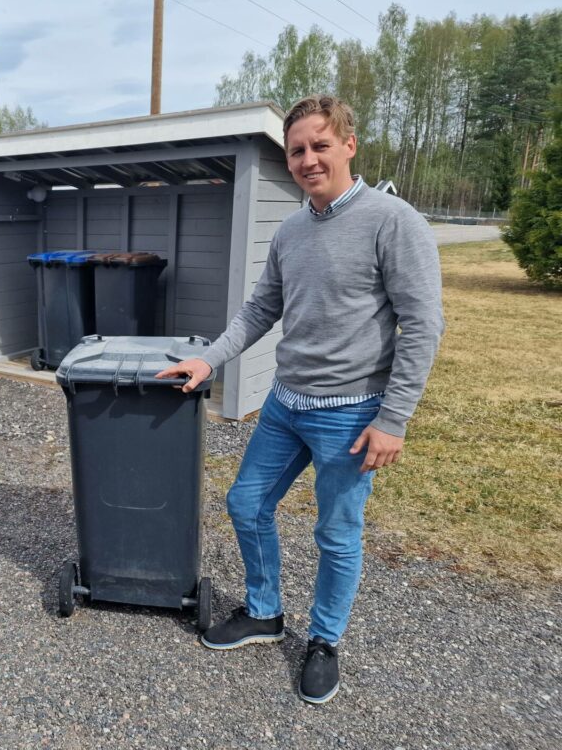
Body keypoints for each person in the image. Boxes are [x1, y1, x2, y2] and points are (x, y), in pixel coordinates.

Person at [156, 95, 444, 704]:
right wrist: (209, 356)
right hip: (287, 404)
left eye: (319, 145)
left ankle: (324, 640)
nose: (308, 159)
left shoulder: (394, 221)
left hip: (354, 412)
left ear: (348, 145)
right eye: (296, 150)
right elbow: (263, 308)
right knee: (246, 502)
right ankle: (264, 612)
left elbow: (422, 325)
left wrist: (393, 419)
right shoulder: (291, 228)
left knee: (336, 534)